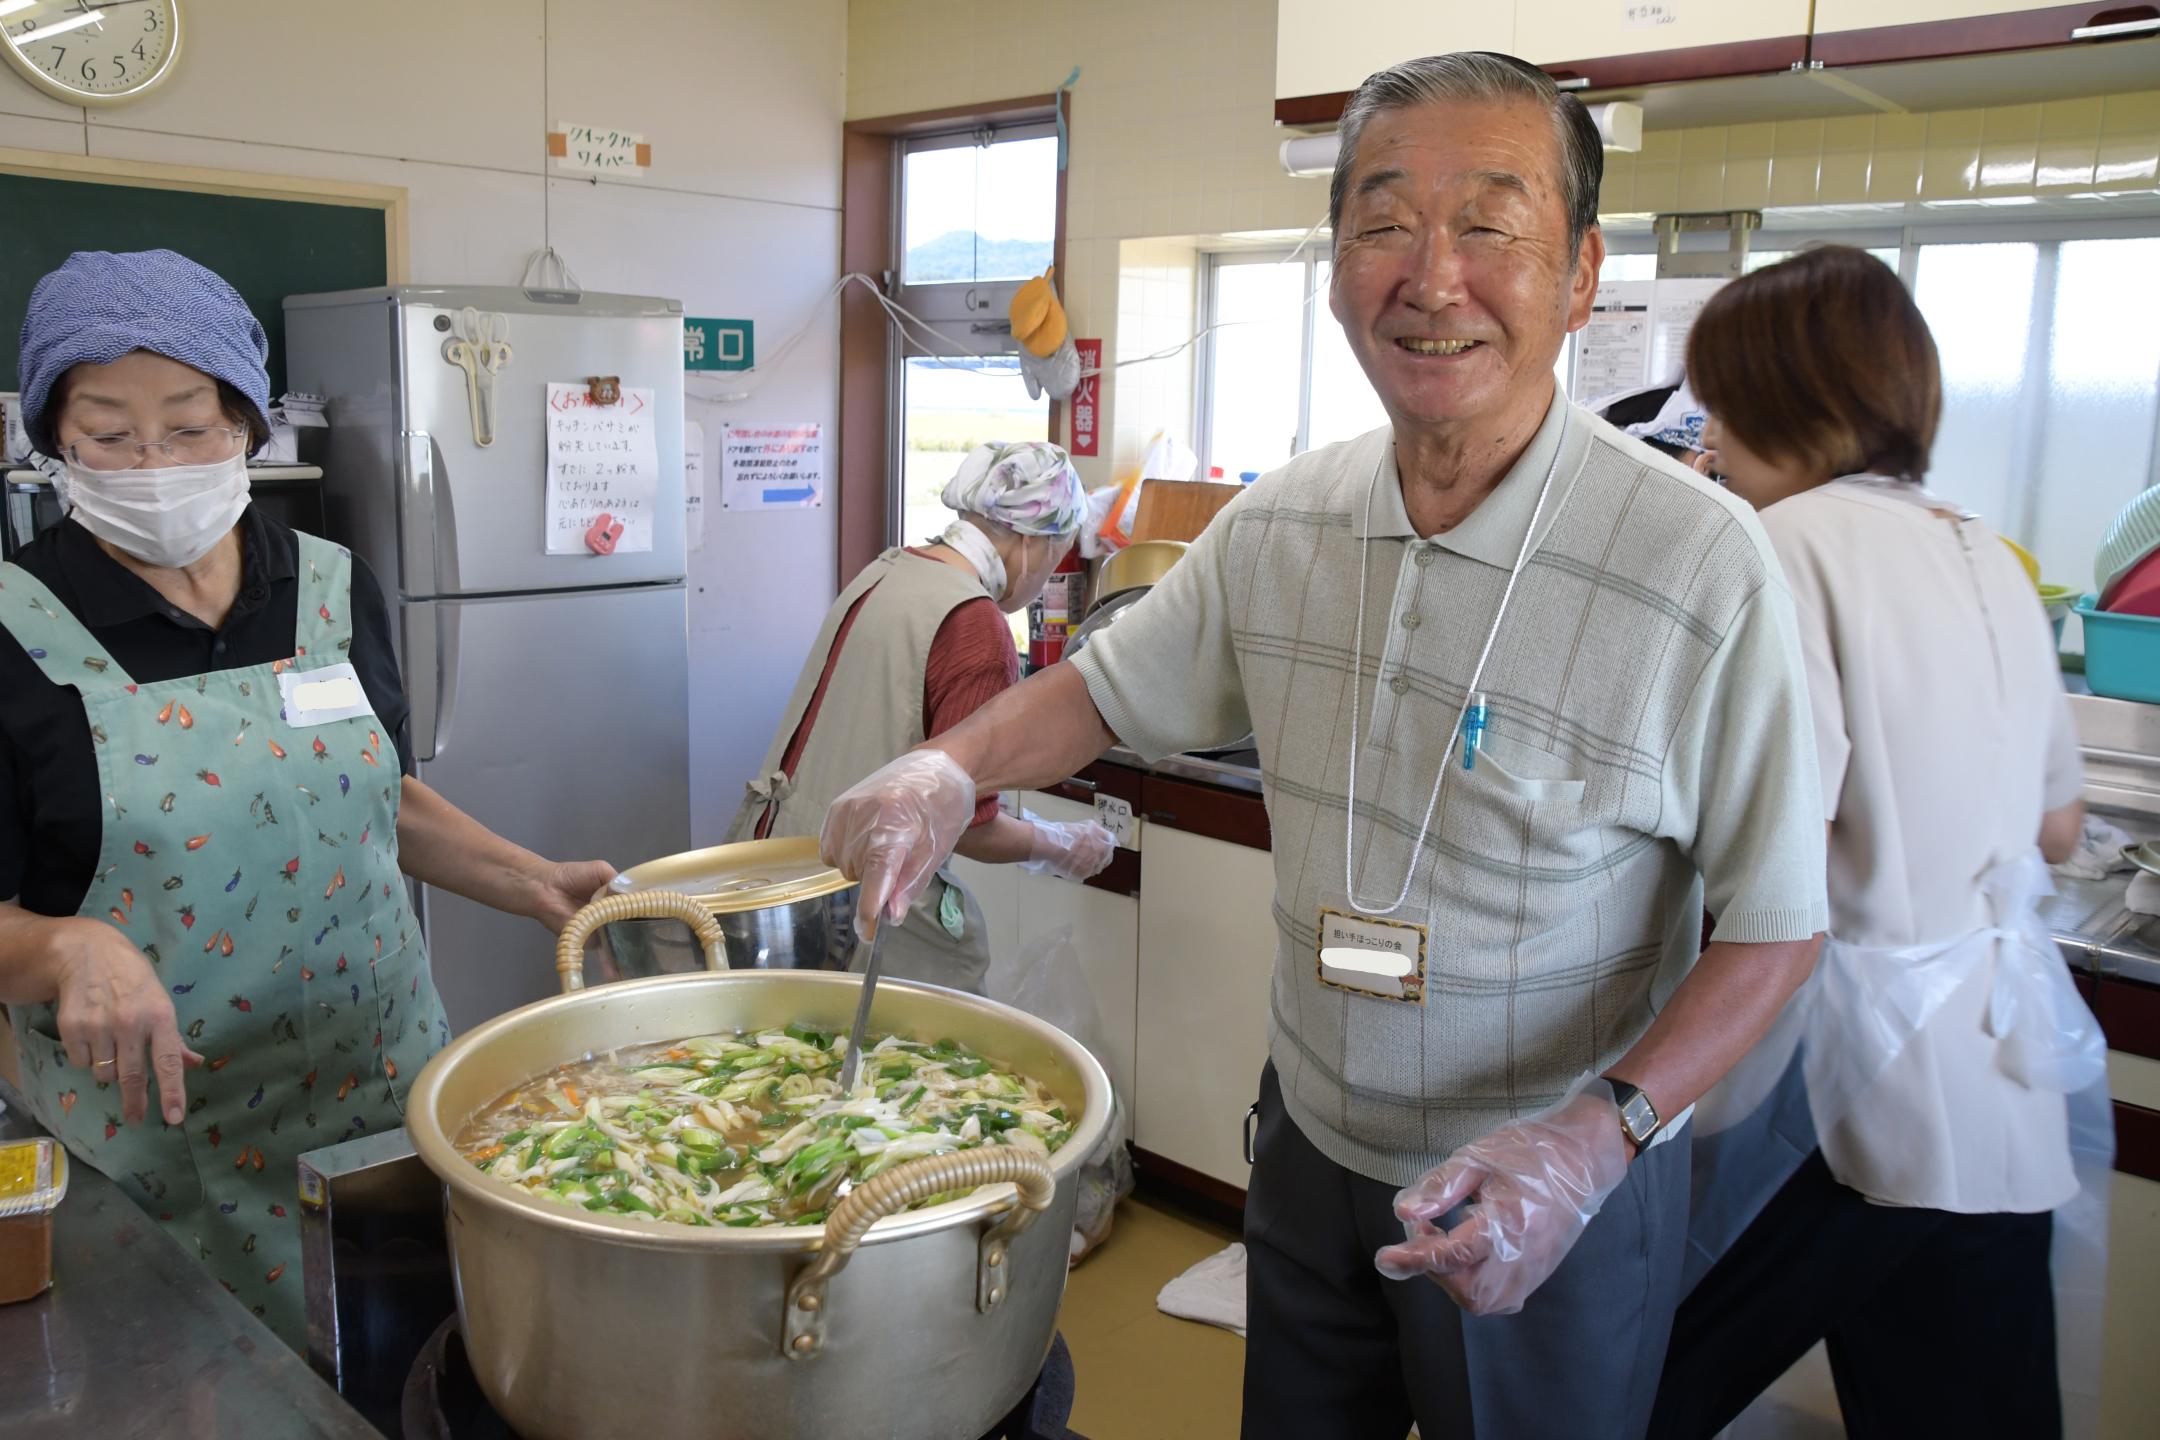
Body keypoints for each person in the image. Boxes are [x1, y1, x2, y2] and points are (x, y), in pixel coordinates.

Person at [818, 53, 1828, 1440]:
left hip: (1542, 1176)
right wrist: (950, 767)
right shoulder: (1284, 522)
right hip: (1306, 1140)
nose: (1433, 277)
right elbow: (1103, 693)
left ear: (1582, 275)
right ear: (1338, 263)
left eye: (1490, 226)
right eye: (1384, 223)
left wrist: (1599, 1139)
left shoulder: (1700, 562)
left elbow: (1777, 926)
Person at [0, 249, 616, 1349]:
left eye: (189, 426)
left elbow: (377, 798)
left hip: (388, 1101)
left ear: (247, 423)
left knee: (429, 1369)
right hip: (165, 1155)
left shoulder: (329, 586)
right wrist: (62, 949)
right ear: (54, 443)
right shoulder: (16, 633)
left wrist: (535, 882)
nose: (153, 463)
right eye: (108, 434)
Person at [1650, 246, 2103, 1439]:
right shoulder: (1985, 549)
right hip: (2001, 1069)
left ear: (1777, 396)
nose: (1710, 436)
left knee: (1644, 1376)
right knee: (1968, 1404)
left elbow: (1779, 843)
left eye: (1719, 402)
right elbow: (2058, 827)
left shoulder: (1785, 546)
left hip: (1842, 1083)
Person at [729, 440, 1113, 993]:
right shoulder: (976, 624)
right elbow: (971, 828)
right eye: (1056, 558)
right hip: (852, 901)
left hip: (772, 872)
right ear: (1031, 542)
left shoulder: (889, 570)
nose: (1044, 580)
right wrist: (1057, 846)